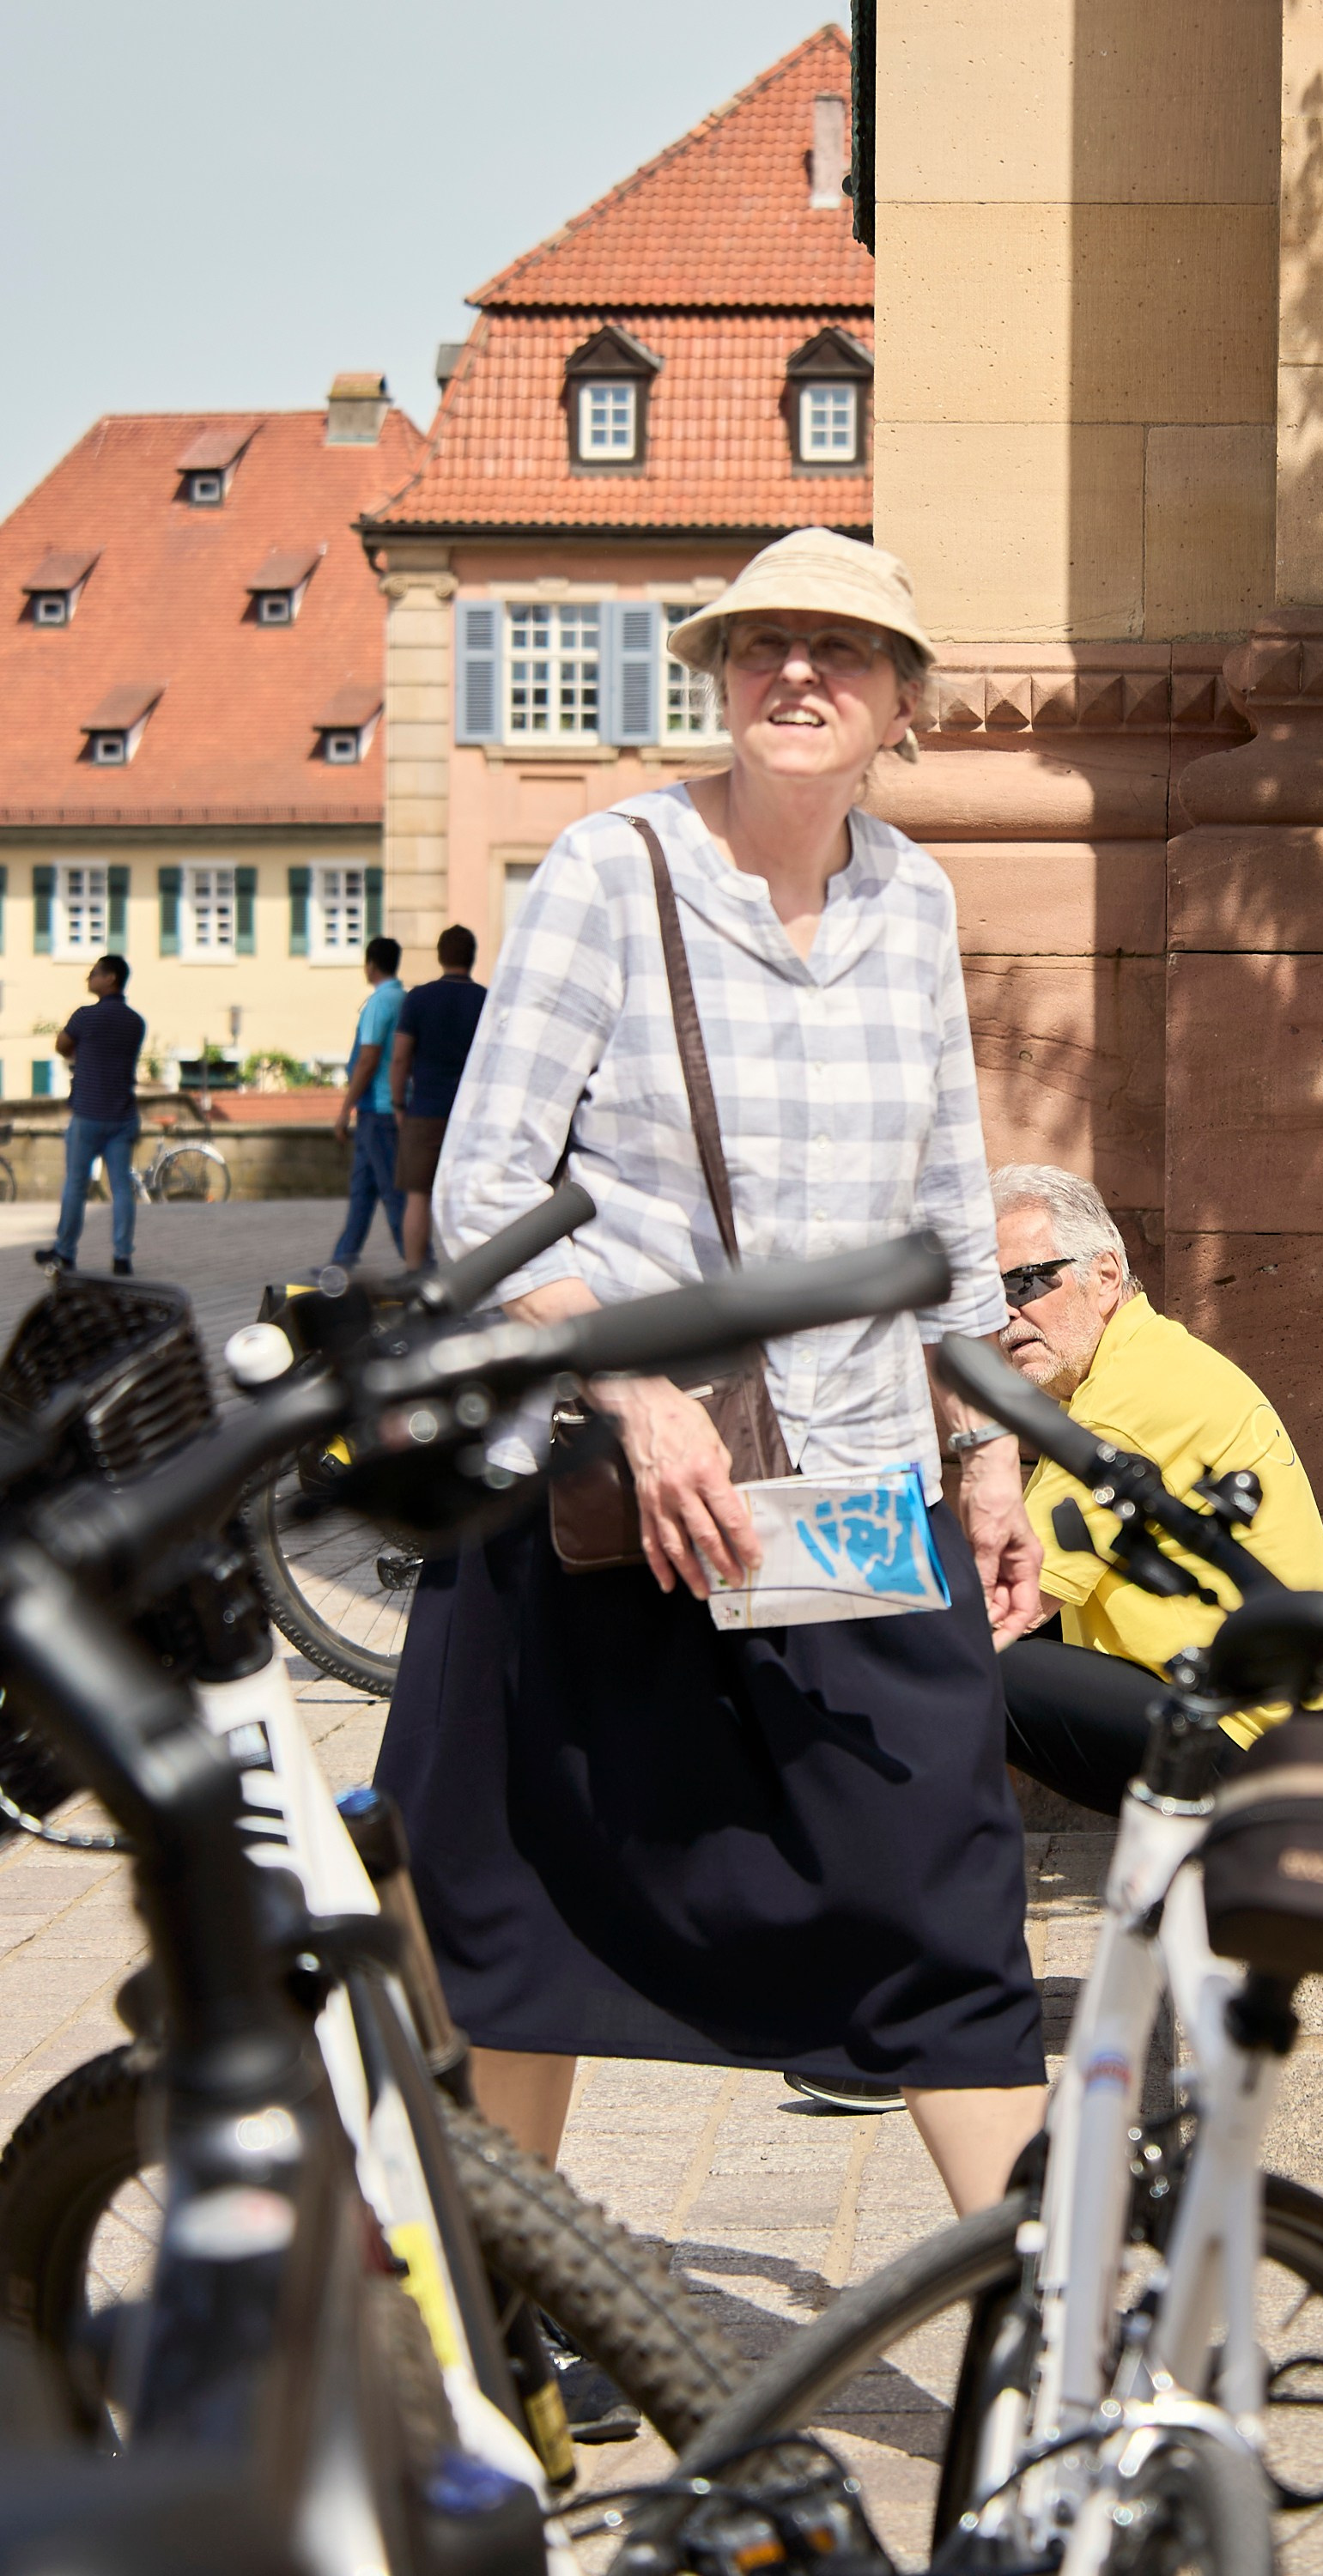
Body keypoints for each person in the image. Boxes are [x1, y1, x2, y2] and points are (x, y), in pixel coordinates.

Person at [375, 527, 1048, 2229]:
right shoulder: (615, 868)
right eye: (762, 645)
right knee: (515, 1911)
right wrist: (635, 1379)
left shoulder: (916, 897)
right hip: (616, 1490)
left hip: (843, 1491)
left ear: (903, 701)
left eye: (841, 648)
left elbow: (949, 1210)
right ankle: (497, 2315)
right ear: (719, 677)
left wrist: (986, 1459)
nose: (797, 673)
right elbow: (488, 1192)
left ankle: (1061, 2337)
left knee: (944, 1898)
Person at [992, 1163, 1323, 1813]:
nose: (1006, 1311)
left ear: (1103, 1278)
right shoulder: (1139, 1364)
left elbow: (1009, 1603)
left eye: (1027, 1280)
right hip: (1261, 1724)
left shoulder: (1129, 1399)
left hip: (1245, 1748)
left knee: (969, 1666)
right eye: (987, 1292)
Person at [35, 955, 144, 1278]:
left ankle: (65, 1251)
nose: (88, 979)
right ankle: (122, 1256)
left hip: (89, 1114)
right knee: (122, 1186)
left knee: (75, 1184)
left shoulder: (85, 1017)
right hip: (123, 1115)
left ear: (110, 978)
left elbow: (61, 1045)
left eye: (94, 974)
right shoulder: (135, 1022)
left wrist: (79, 1051)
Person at [390, 926, 487, 1269]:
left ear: (440, 955)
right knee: (472, 1199)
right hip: (472, 1115)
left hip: (425, 1110)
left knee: (418, 1196)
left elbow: (400, 1057)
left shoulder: (418, 998)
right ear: (471, 956)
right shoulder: (486, 1000)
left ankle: (415, 1273)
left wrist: (398, 1103)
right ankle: (474, 1274)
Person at [331, 936, 406, 1266]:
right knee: (362, 1191)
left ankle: (419, 1261)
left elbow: (368, 1058)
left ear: (371, 964)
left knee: (393, 1192)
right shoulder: (403, 999)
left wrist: (344, 1108)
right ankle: (342, 1261)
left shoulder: (379, 1003)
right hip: (381, 1109)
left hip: (378, 1108)